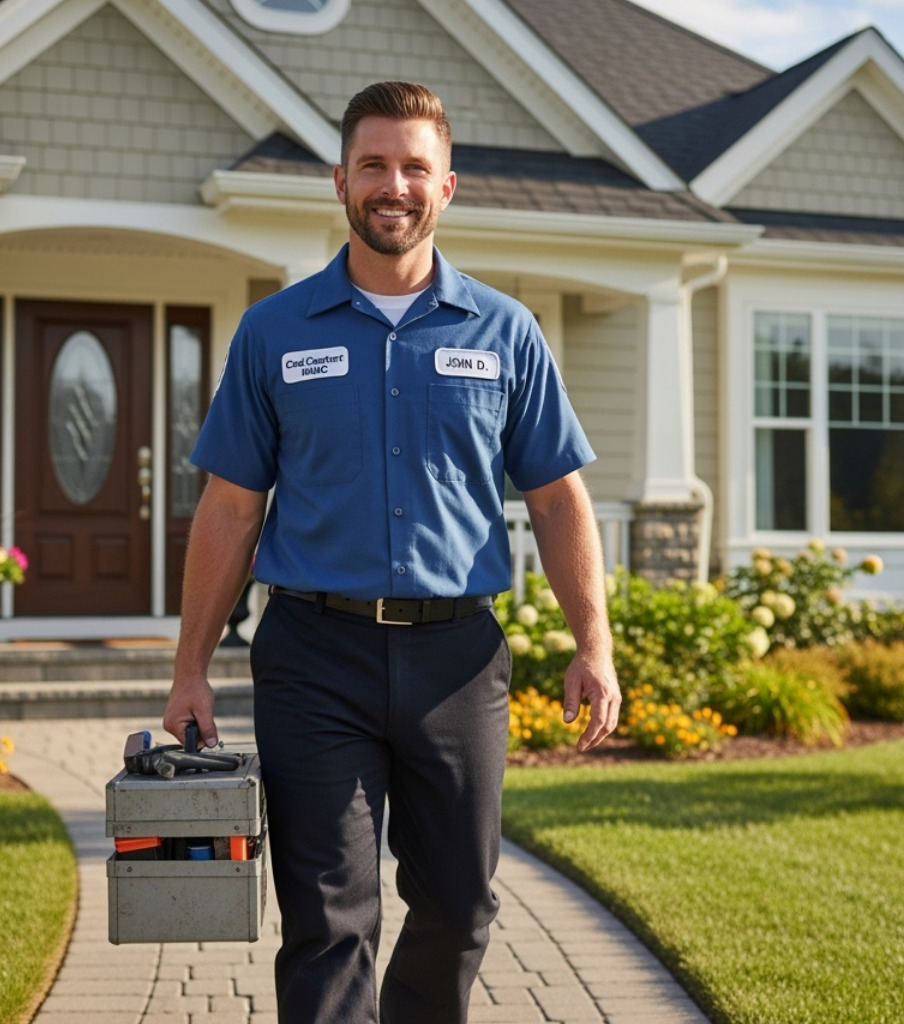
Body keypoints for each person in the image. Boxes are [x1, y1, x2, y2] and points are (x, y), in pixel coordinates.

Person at [162, 80, 621, 1024]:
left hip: (457, 659)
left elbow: (556, 496)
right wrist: (190, 669)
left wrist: (595, 644)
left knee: (460, 905)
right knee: (327, 918)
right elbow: (232, 507)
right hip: (312, 656)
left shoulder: (505, 331)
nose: (394, 186)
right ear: (341, 181)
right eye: (373, 165)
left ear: (446, 185)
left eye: (415, 167)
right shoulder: (274, 332)